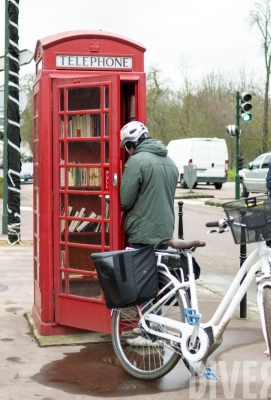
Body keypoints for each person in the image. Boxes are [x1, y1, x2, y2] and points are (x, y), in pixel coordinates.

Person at [119, 120, 178, 347]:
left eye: (127, 146)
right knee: (155, 281)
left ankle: (150, 334)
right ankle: (153, 324)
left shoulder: (137, 161)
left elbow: (126, 200)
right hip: (164, 230)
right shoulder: (169, 161)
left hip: (143, 231)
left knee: (143, 283)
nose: (128, 150)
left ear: (132, 144)